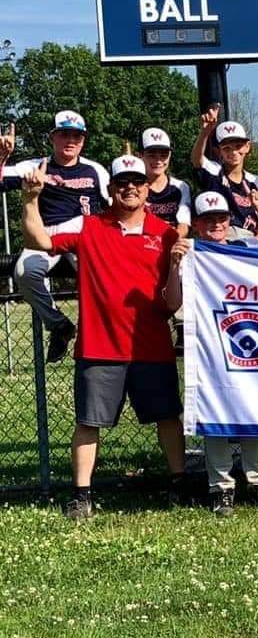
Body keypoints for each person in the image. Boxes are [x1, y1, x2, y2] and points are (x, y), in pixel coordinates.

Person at [21, 154, 186, 520]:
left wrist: (176, 263)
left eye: (137, 182)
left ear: (148, 189)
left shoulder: (166, 233)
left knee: (168, 418)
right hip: (99, 346)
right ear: (110, 188)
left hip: (151, 346)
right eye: (122, 182)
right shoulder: (90, 226)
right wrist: (31, 200)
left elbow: (172, 301)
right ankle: (82, 495)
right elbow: (40, 241)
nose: (129, 187)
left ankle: (178, 483)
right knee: (88, 423)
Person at [165, 191, 258, 515]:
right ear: (196, 224)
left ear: (229, 220)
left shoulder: (245, 247)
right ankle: (220, 487)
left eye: (221, 218)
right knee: (214, 413)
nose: (215, 224)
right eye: (208, 219)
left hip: (249, 336)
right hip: (208, 348)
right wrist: (173, 264)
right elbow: (172, 303)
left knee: (250, 409)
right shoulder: (189, 252)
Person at [1, 110, 109, 363]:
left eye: (76, 136)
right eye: (64, 134)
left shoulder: (96, 170)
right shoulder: (36, 166)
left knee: (97, 276)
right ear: (52, 138)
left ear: (83, 141)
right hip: (46, 234)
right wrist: (2, 157)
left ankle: (96, 336)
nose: (70, 140)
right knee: (24, 272)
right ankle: (59, 325)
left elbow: (114, 204)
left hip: (85, 231)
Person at [191, 106, 258, 241]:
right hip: (223, 235)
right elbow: (197, 160)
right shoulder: (215, 171)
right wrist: (205, 132)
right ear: (218, 151)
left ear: (247, 147)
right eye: (227, 148)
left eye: (238, 146)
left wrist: (257, 241)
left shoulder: (256, 181)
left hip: (250, 237)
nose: (233, 152)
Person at [141, 127, 191, 237]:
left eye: (164, 155)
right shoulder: (136, 187)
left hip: (172, 242)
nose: (158, 161)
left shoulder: (181, 187)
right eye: (152, 155)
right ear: (140, 156)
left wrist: (171, 242)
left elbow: (184, 224)